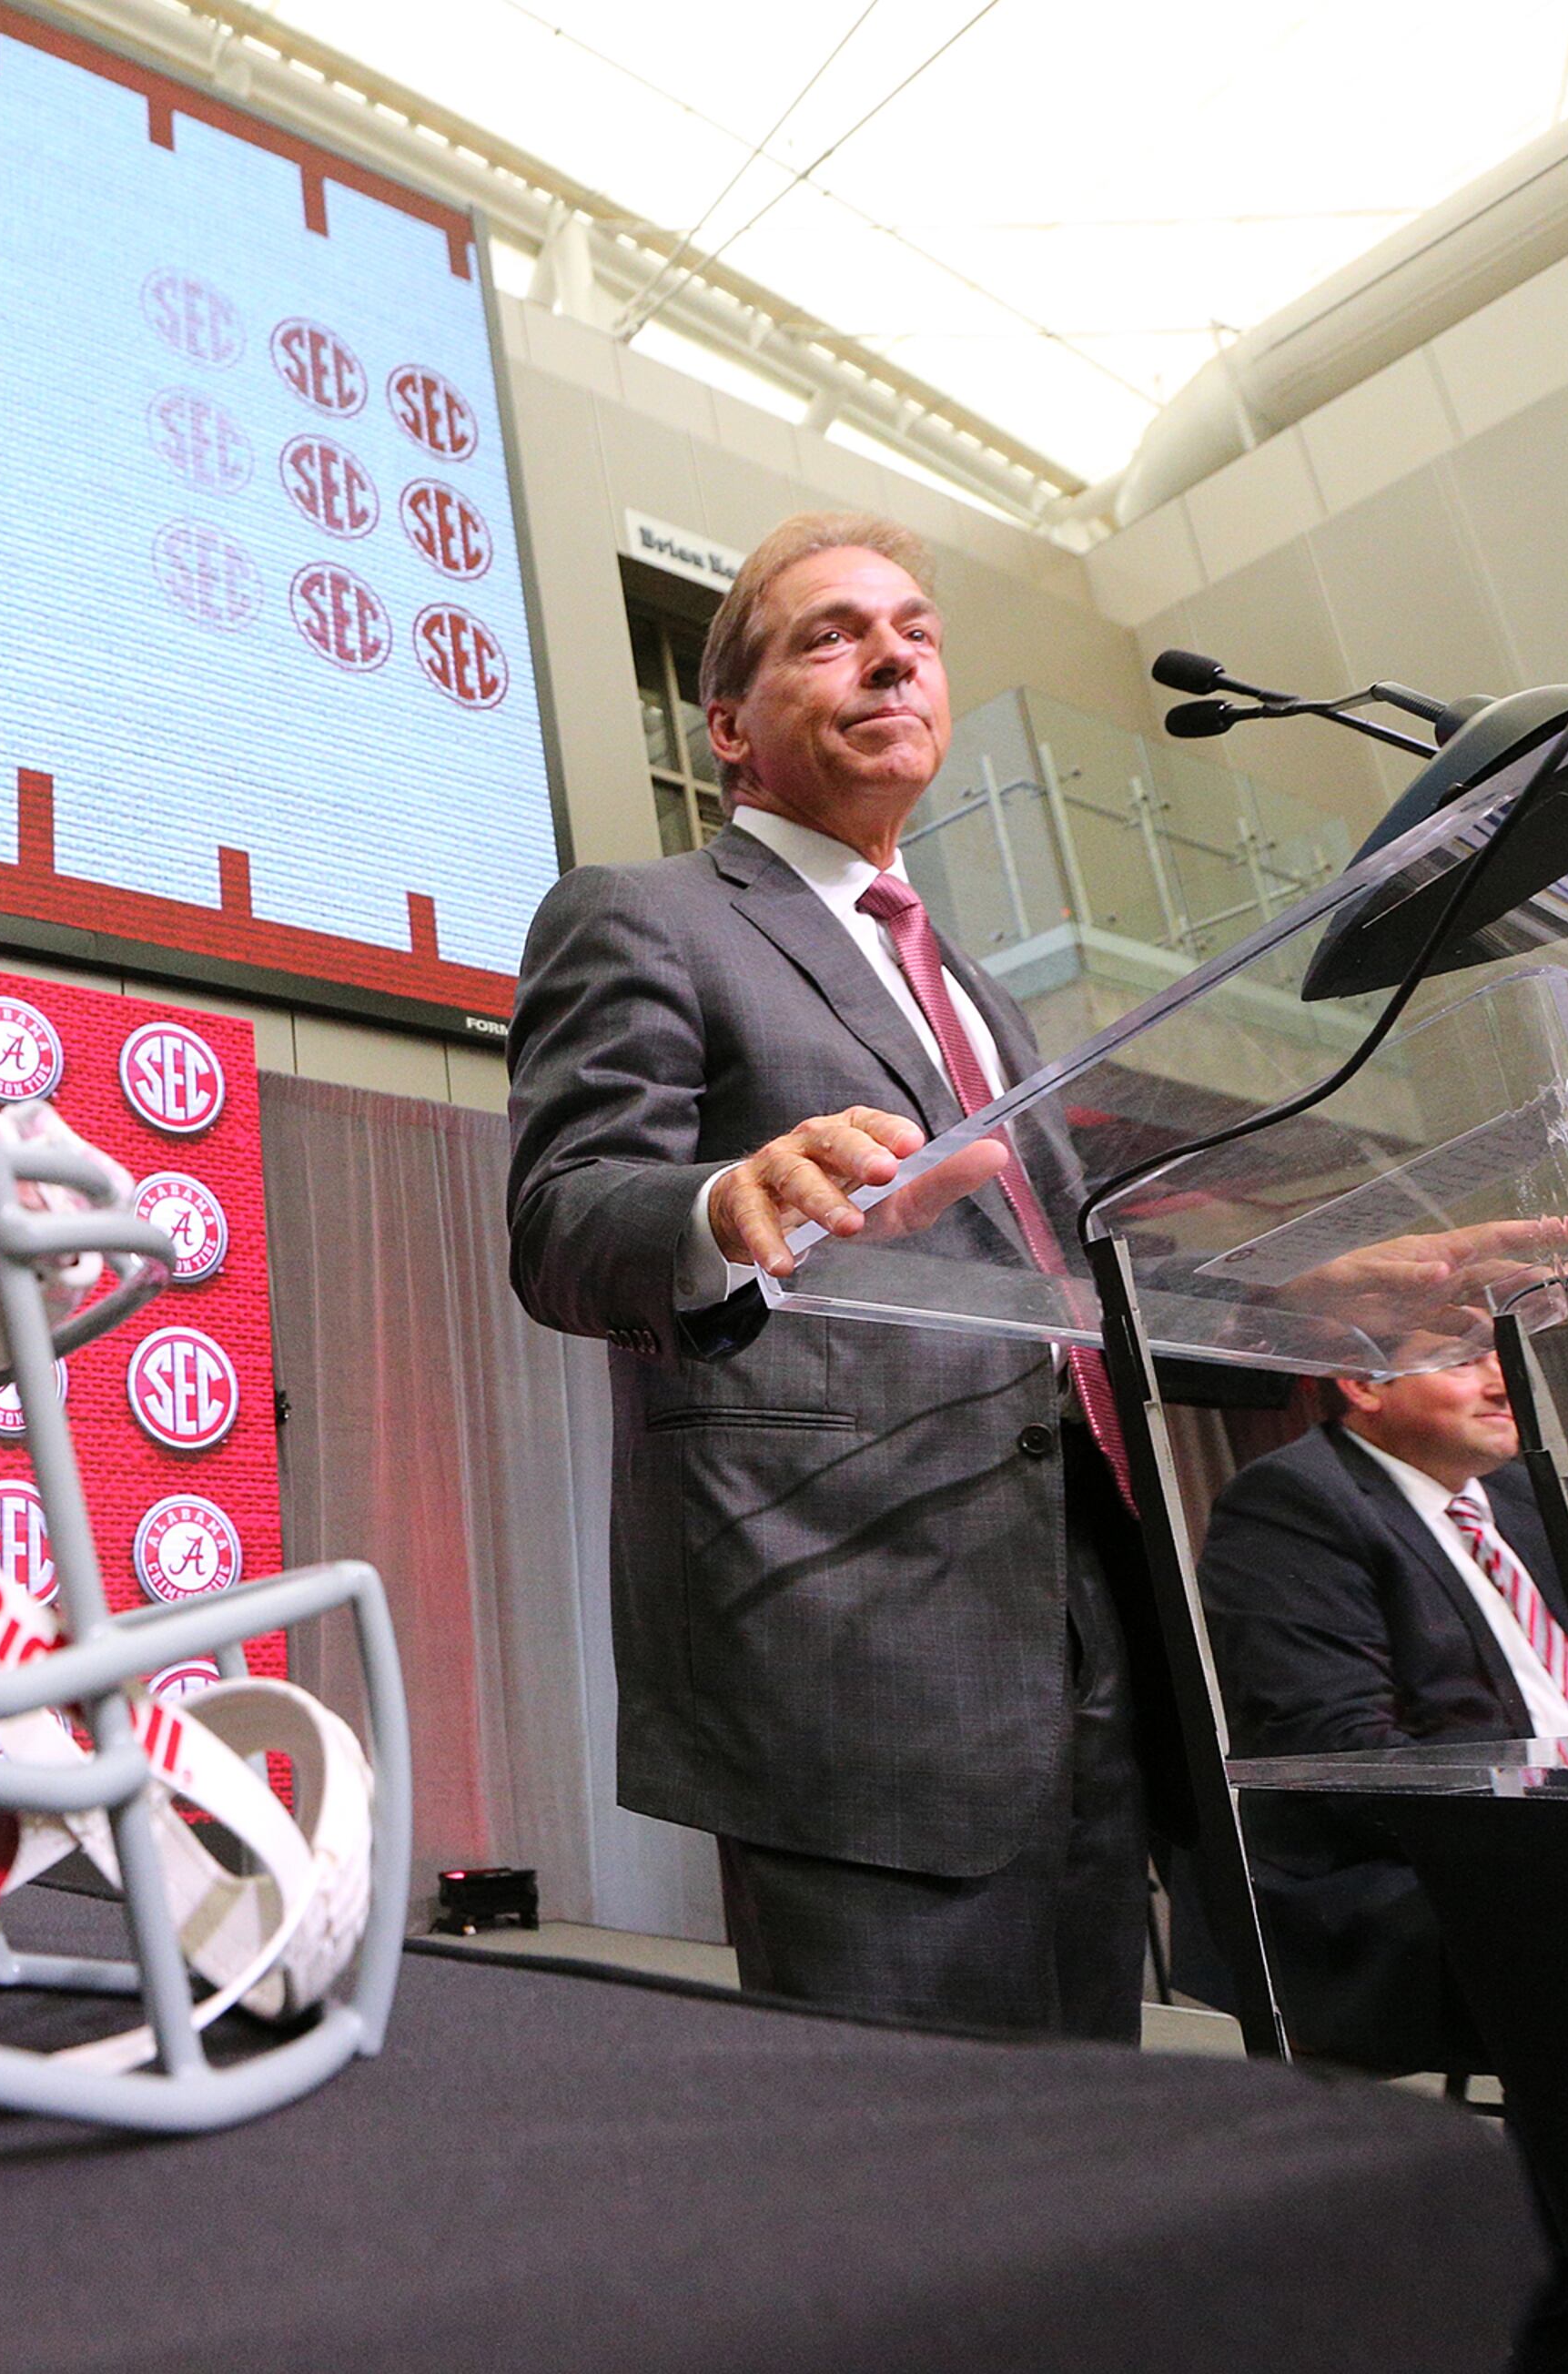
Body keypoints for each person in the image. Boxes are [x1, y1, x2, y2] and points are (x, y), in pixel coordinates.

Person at [504, 510, 1155, 2039]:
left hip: (1081, 1624)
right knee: (923, 2184)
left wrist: (1346, 1300)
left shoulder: (981, 986)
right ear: (727, 724)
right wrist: (731, 1200)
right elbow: (561, 1216)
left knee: (1095, 2149)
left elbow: (1071, 1262)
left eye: (915, 631)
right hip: (849, 1635)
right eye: (831, 632)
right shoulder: (644, 914)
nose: (889, 655)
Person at [1195, 1345, 1568, 2075]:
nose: (1500, 1382)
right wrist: (1565, 1831)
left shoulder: (1543, 1504)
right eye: (1461, 1361)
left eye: (1498, 1352)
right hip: (1407, 1883)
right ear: (1360, 1384)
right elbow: (1343, 1755)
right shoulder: (1295, 1503)